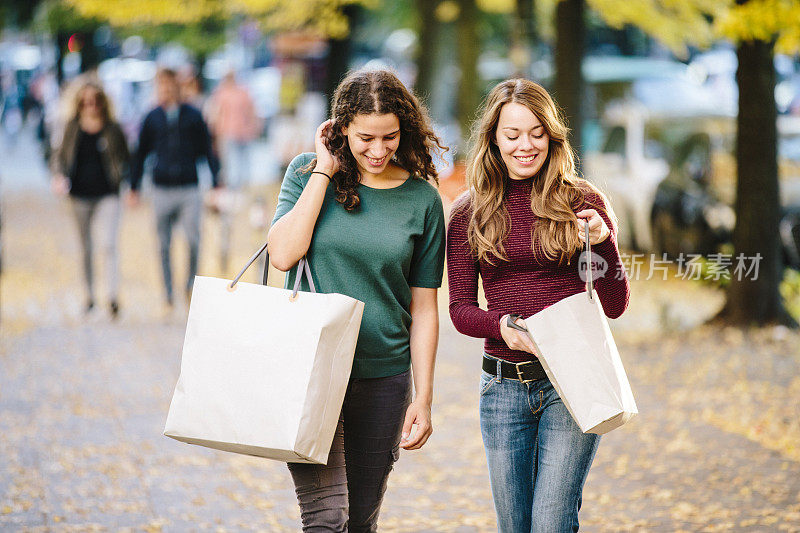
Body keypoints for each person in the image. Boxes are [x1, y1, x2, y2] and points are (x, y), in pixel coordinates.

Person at [446, 79, 630, 532]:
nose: (526, 146)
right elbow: (460, 310)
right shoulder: (470, 212)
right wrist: (501, 326)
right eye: (513, 135)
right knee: (515, 525)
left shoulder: (582, 202)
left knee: (551, 522)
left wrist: (604, 244)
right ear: (493, 138)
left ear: (552, 135)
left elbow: (614, 304)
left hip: (570, 381)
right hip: (503, 388)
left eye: (537, 133)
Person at [268, 69, 447, 532]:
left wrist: (423, 397)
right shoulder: (307, 173)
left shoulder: (422, 200)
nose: (378, 149)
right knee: (327, 520)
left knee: (360, 522)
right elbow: (284, 255)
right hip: (310, 371)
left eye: (390, 137)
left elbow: (424, 308)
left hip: (383, 377)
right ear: (341, 128)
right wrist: (325, 170)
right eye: (365, 137)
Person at [129, 68, 221, 310]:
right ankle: (168, 292)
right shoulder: (152, 118)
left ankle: (190, 285)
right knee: (163, 244)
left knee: (193, 239)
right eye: (162, 86)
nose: (167, 90)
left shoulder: (193, 115)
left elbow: (207, 150)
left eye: (171, 85)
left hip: (188, 188)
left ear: (178, 86)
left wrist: (216, 180)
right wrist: (133, 186)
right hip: (161, 188)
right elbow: (140, 154)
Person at [51, 80, 130, 317]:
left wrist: (125, 179)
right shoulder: (72, 128)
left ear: (102, 103)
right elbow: (60, 157)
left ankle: (112, 295)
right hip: (79, 195)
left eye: (95, 101)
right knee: (86, 247)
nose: (91, 106)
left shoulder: (112, 128)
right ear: (79, 104)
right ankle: (89, 296)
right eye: (86, 102)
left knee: (108, 244)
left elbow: (126, 156)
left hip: (108, 194)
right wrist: (59, 177)